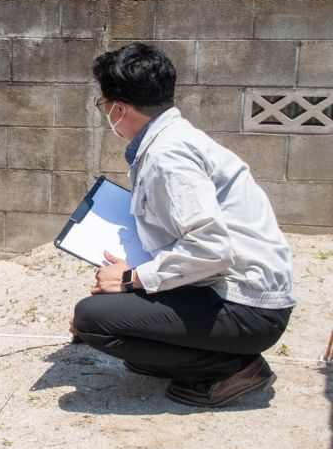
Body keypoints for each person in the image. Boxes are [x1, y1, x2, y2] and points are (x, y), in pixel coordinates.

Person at [72, 42, 296, 407]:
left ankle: (232, 367)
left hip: (248, 307)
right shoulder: (171, 140)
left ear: (118, 108)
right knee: (113, 312)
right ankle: (194, 355)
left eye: (104, 105)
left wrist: (131, 279)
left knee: (93, 319)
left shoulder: (167, 157)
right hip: (231, 290)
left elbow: (211, 249)